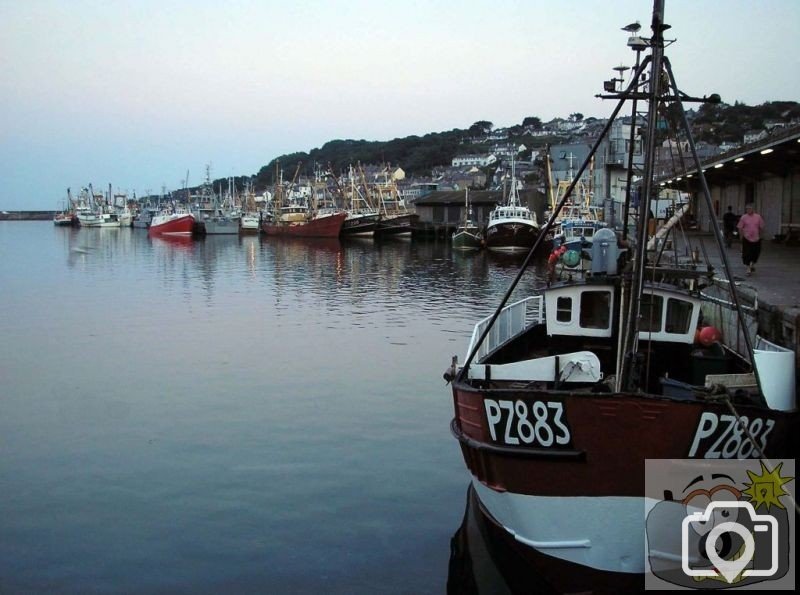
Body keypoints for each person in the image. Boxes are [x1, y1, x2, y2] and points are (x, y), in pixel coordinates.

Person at [736, 203, 765, 275]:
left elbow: (761, 227)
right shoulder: (744, 217)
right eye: (747, 209)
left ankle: (752, 264)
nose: (748, 210)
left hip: (756, 238)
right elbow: (740, 227)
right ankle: (748, 268)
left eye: (750, 208)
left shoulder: (758, 217)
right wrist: (741, 236)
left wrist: (760, 236)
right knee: (747, 253)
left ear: (753, 209)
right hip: (747, 238)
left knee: (755, 253)